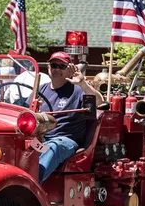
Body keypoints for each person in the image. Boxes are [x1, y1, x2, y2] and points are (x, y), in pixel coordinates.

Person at [36, 51, 103, 183]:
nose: (56, 69)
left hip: (65, 140)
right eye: (53, 65)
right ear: (48, 67)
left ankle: (31, 184)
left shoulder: (78, 90)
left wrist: (82, 83)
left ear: (69, 70)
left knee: (54, 147)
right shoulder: (40, 90)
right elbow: (25, 111)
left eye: (62, 66)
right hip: (40, 139)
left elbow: (99, 101)